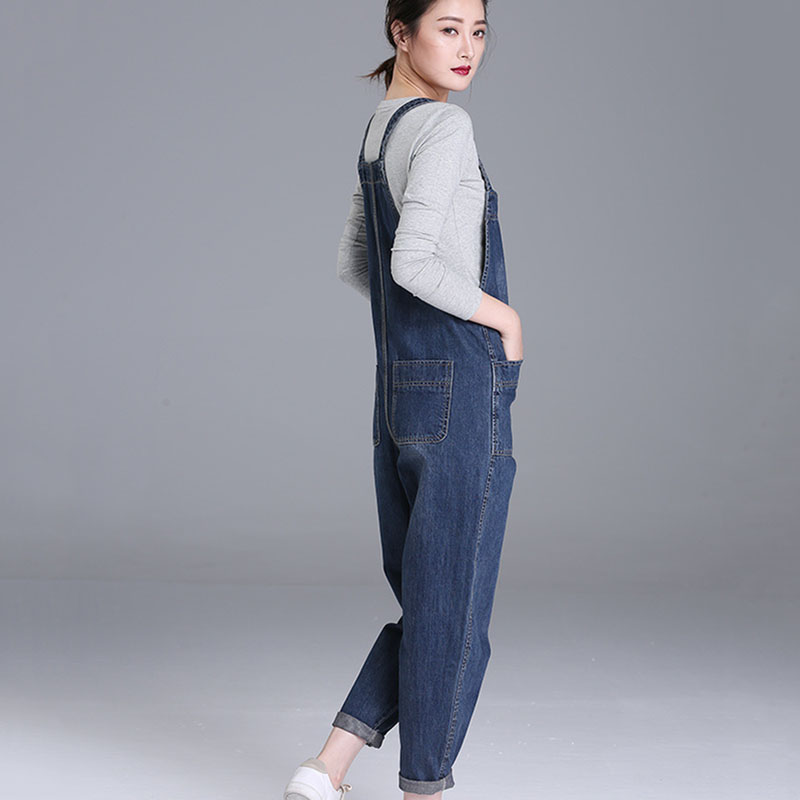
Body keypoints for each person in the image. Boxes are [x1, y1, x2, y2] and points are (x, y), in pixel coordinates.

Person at [283, 1, 523, 798]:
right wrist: (502, 318)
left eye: (478, 31)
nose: (467, 48)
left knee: (432, 597)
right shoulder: (445, 128)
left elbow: (357, 262)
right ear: (400, 32)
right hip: (460, 385)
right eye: (447, 28)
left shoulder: (380, 128)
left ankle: (327, 766)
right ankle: (425, 787)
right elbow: (408, 265)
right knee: (454, 613)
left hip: (400, 387)